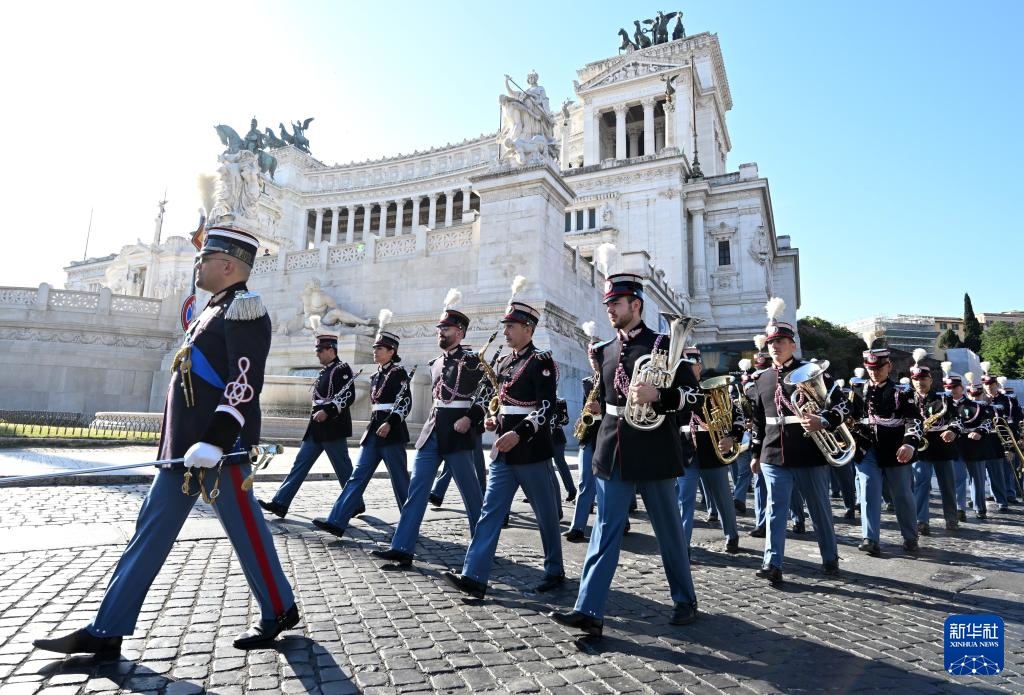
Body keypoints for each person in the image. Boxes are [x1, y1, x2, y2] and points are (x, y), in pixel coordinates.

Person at [34, 226, 298, 655]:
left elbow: (244, 381)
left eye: (206, 258)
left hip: (217, 453)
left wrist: (215, 440)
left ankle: (280, 607)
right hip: (183, 452)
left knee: (247, 533)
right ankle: (107, 628)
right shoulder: (209, 311)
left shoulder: (244, 309)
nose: (198, 263)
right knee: (149, 533)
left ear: (229, 265)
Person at [550, 273, 699, 639]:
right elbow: (605, 395)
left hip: (655, 450)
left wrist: (661, 398)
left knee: (668, 532)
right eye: (608, 305)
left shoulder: (664, 345)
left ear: (636, 305)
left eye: (616, 304)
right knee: (604, 532)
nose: (610, 310)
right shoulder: (604, 350)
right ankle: (589, 609)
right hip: (612, 449)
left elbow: (694, 398)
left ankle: (685, 598)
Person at [443, 301, 564, 597]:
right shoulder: (504, 363)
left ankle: (554, 569)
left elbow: (546, 408)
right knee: (490, 512)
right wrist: (493, 417)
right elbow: (501, 400)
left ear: (528, 328)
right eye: (505, 326)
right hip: (503, 450)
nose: (506, 331)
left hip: (531, 450)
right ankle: (474, 575)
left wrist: (518, 433)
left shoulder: (541, 361)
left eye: (511, 326)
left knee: (546, 514)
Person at [370, 289, 485, 568]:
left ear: (460, 331)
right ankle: (402, 546)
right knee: (416, 492)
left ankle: (482, 549)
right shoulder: (435, 364)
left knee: (472, 496)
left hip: (457, 434)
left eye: (445, 328)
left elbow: (487, 393)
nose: (440, 332)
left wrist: (471, 417)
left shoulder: (473, 361)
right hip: (432, 431)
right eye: (439, 328)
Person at [747, 299, 843, 585]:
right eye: (771, 343)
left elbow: (841, 407)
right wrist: (755, 452)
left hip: (809, 450)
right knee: (775, 511)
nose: (775, 347)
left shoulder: (812, 370)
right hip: (773, 453)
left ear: (793, 344)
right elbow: (758, 421)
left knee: (819, 509)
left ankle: (830, 557)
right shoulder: (761, 379)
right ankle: (772, 563)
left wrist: (824, 421)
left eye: (781, 342)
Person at [313, 318, 412, 537]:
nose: (375, 352)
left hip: (391, 432)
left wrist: (390, 422)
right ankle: (337, 520)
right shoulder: (376, 375)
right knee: (356, 477)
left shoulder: (399, 373)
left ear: (392, 351)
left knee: (400, 480)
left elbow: (405, 402)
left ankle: (409, 524)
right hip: (374, 431)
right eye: (375, 348)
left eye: (379, 349)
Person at [258, 334, 362, 519]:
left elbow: (348, 396)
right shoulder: (323, 372)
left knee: (343, 469)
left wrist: (328, 411)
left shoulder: (342, 368)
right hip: (315, 429)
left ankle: (355, 503)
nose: (318, 355)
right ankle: (280, 503)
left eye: (320, 351)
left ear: (331, 349)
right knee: (299, 465)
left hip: (333, 427)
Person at [850, 333, 923, 556]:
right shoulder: (858, 390)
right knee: (869, 491)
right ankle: (870, 538)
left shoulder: (903, 391)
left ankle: (910, 536)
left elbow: (915, 420)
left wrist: (909, 444)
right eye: (870, 368)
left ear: (888, 365)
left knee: (902, 495)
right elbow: (851, 416)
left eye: (879, 367)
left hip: (895, 449)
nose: (874, 371)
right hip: (867, 449)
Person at [680, 346, 742, 554]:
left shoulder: (712, 388)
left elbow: (737, 415)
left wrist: (732, 437)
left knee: (723, 498)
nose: (688, 370)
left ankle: (732, 535)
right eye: (684, 367)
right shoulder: (675, 391)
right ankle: (683, 545)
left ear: (699, 366)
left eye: (692, 366)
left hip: (712, 449)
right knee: (684, 501)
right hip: (686, 451)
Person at [908, 351, 960, 534]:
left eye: (923, 379)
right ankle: (921, 520)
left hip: (942, 446)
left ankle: (951, 518)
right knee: (921, 483)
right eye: (916, 380)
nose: (919, 383)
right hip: (920, 447)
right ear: (912, 381)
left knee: (947, 484)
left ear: (930, 380)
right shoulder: (907, 399)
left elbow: (957, 418)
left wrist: (952, 430)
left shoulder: (943, 399)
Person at [565, 367, 601, 543]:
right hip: (589, 435)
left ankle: (621, 522)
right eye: (592, 358)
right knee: (584, 482)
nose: (594, 361)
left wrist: (602, 409)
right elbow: (584, 406)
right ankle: (577, 527)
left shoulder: (616, 377)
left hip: (608, 434)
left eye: (597, 357)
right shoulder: (588, 382)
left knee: (609, 483)